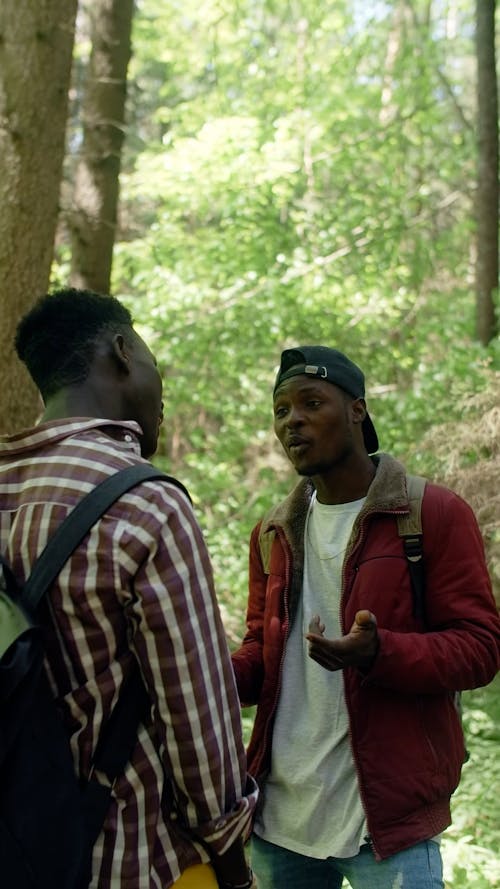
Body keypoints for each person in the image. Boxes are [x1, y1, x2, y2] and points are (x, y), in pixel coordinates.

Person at [0, 288, 257, 889]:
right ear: (120, 352)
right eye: (152, 362)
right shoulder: (145, 504)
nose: (160, 387)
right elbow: (197, 720)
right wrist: (228, 853)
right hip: (125, 856)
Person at [231, 345, 500, 889]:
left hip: (386, 823)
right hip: (280, 819)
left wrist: (381, 652)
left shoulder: (431, 514)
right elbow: (261, 656)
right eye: (281, 411)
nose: (293, 421)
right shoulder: (271, 533)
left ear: (357, 409)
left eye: (311, 403)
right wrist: (201, 671)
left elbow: (481, 648)